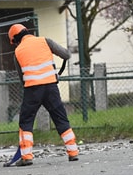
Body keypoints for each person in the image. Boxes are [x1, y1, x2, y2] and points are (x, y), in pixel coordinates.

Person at [8, 23, 79, 166]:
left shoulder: (18, 52)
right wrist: (53, 73)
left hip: (32, 90)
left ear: (15, 39)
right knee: (60, 118)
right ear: (27, 31)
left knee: (26, 121)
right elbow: (66, 54)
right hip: (51, 88)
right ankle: (73, 152)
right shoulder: (45, 41)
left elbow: (22, 78)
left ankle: (26, 156)